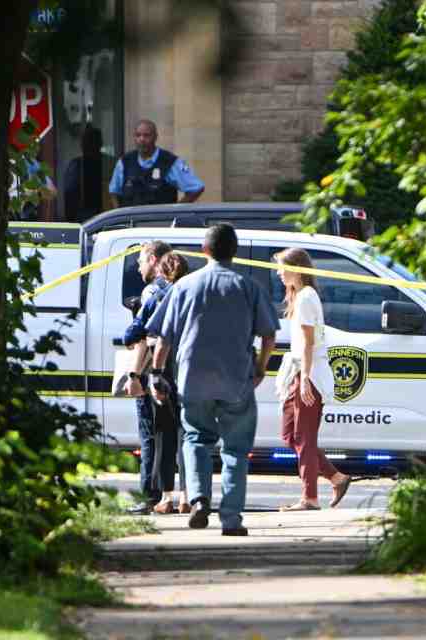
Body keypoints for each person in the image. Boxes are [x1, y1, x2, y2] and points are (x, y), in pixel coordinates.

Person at [147, 224, 278, 536]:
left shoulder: (184, 287)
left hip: (193, 379)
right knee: (235, 449)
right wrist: (260, 367)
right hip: (237, 379)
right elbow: (269, 334)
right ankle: (231, 519)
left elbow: (163, 338)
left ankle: (198, 499)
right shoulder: (249, 287)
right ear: (233, 251)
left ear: (204, 251)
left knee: (195, 439)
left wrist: (155, 374)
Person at [273, 249, 351, 511]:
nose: (279, 272)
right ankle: (336, 477)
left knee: (304, 437)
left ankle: (310, 497)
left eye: (282, 267)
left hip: (309, 373)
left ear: (297, 268)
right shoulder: (300, 296)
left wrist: (305, 379)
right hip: (299, 371)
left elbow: (309, 343)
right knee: (290, 436)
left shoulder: (306, 297)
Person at [122, 241, 188, 515]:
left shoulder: (154, 292)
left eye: (141, 259)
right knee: (187, 436)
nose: (139, 265)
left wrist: (135, 375)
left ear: (156, 261)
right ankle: (187, 496)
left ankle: (157, 496)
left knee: (156, 435)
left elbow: (137, 338)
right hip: (186, 368)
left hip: (157, 369)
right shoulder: (190, 292)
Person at [109, 119, 204, 208]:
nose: (142, 139)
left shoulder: (169, 162)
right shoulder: (124, 162)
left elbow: (196, 188)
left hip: (160, 223)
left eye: (146, 135)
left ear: (155, 137)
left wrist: (175, 211)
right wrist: (119, 216)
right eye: (138, 135)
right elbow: (114, 192)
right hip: (132, 223)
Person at [63, 125, 115, 222]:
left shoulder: (109, 163)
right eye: (85, 142)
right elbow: (69, 193)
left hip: (106, 212)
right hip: (82, 214)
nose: (86, 145)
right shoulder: (76, 164)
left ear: (100, 143)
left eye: (91, 142)